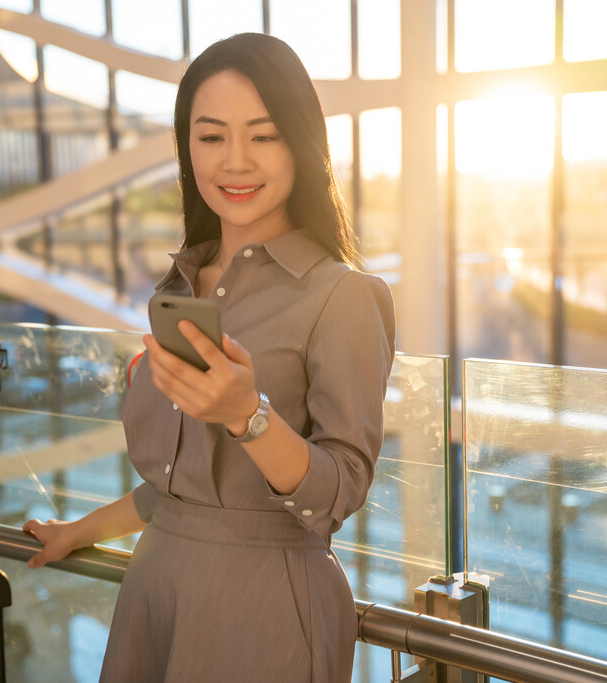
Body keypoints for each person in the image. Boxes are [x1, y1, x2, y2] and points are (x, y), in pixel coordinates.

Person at [23, 32, 395, 682]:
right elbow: (177, 490)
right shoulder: (180, 288)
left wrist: (247, 415)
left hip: (267, 607)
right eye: (212, 135)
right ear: (186, 146)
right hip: (156, 585)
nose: (236, 161)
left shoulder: (344, 296)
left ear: (302, 144)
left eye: (264, 134)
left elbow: (340, 491)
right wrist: (77, 532)